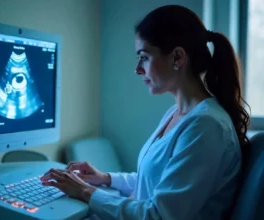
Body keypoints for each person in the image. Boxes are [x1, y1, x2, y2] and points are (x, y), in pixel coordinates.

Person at [40, 5, 251, 220]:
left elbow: (159, 215)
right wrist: (105, 178)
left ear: (177, 57)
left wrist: (85, 191)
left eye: (145, 57)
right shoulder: (178, 114)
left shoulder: (206, 126)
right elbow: (156, 181)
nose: (138, 68)